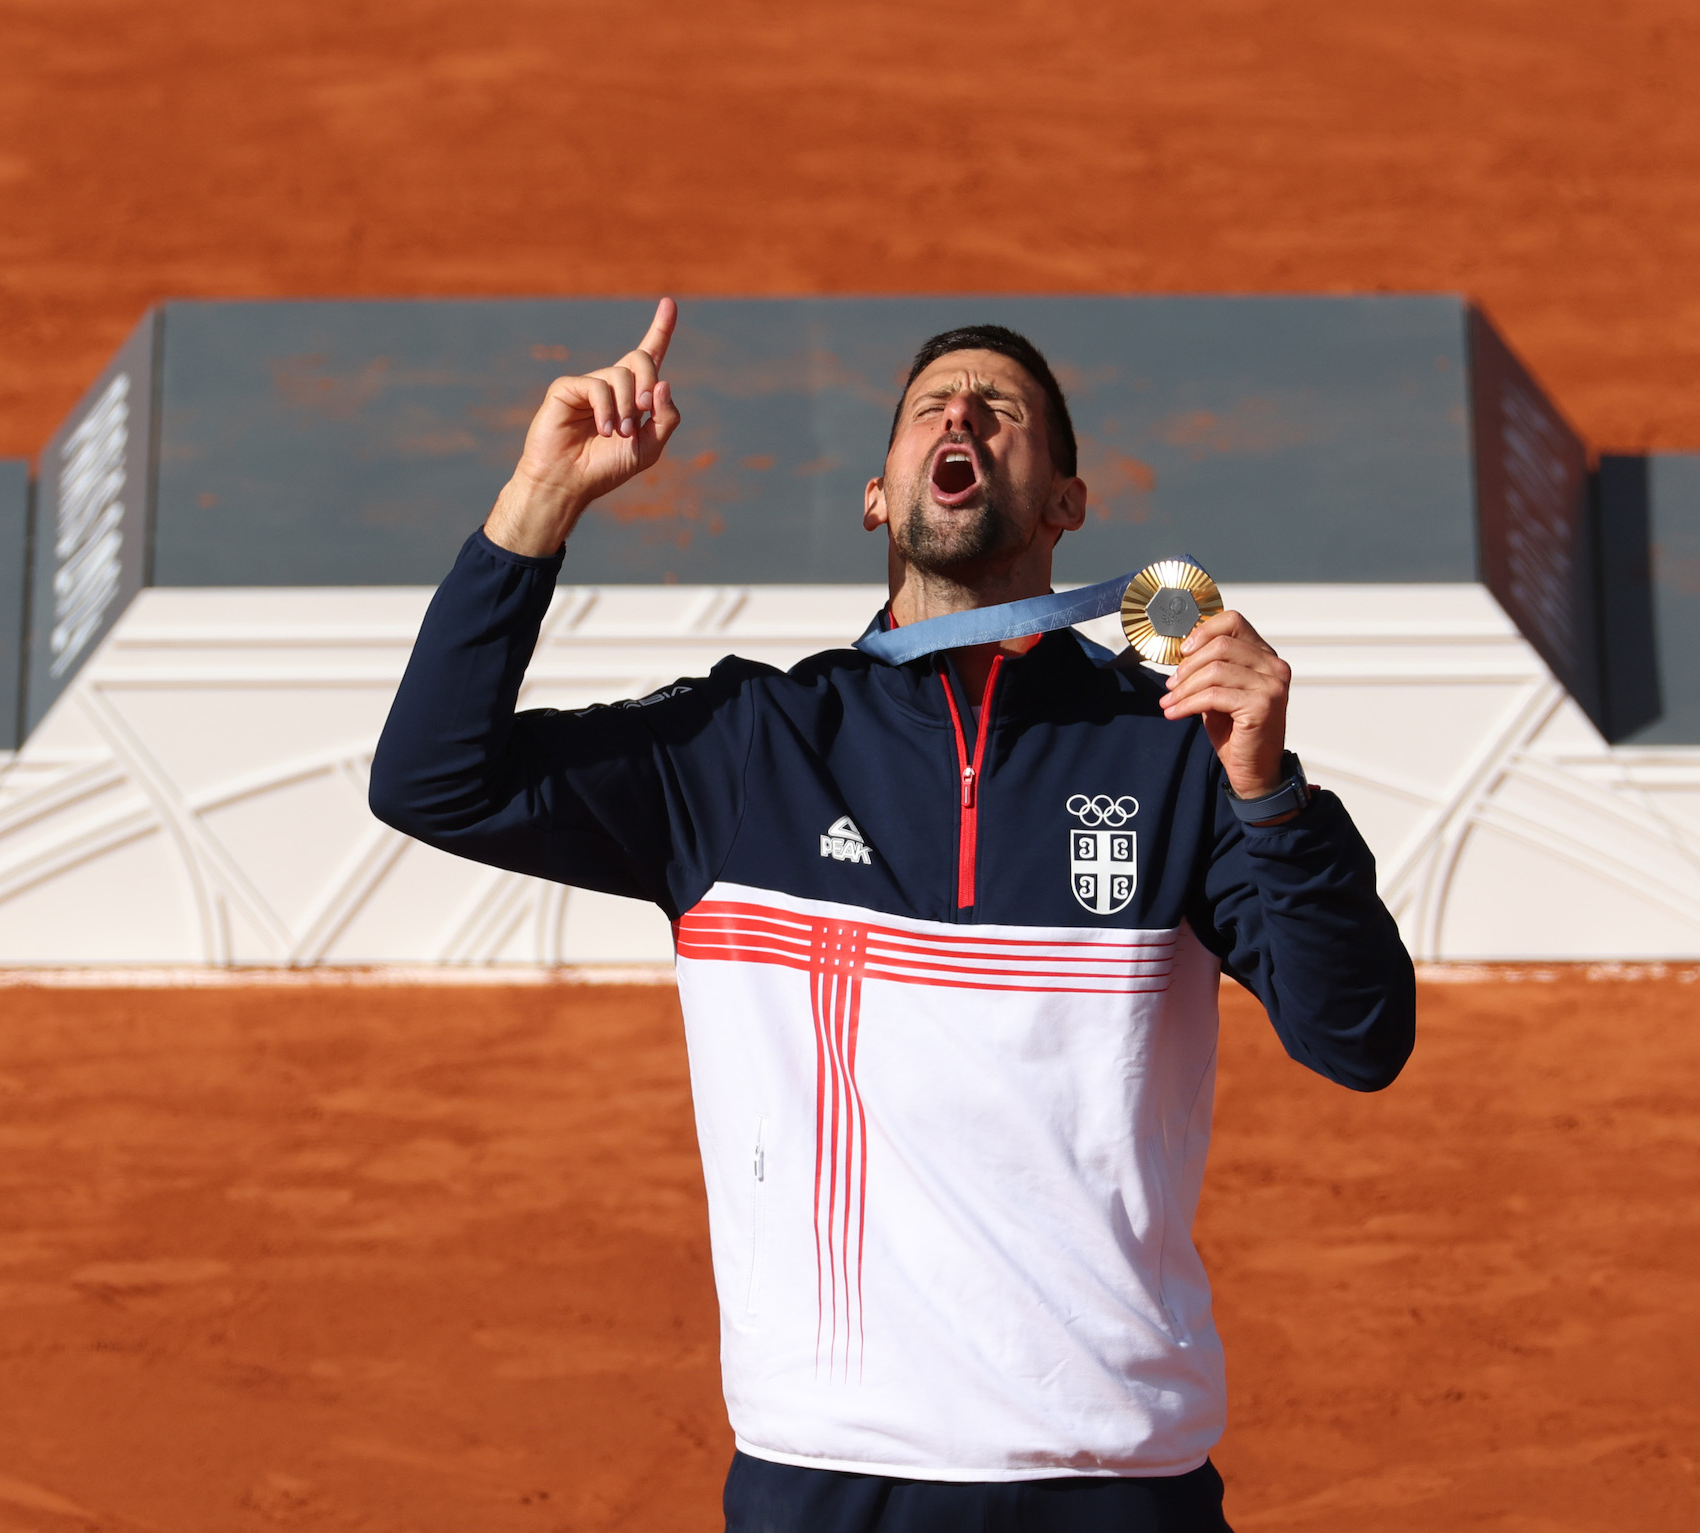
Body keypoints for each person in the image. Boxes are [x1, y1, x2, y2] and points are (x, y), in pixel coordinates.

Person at [369, 298, 1415, 1533]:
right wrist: (538, 501)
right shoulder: (747, 750)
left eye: (1001, 410)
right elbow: (435, 779)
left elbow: (1358, 1037)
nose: (962, 413)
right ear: (879, 497)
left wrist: (1270, 791)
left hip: (1114, 1475)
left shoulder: (1173, 755)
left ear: (1065, 504)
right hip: (829, 1474)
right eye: (931, 407)